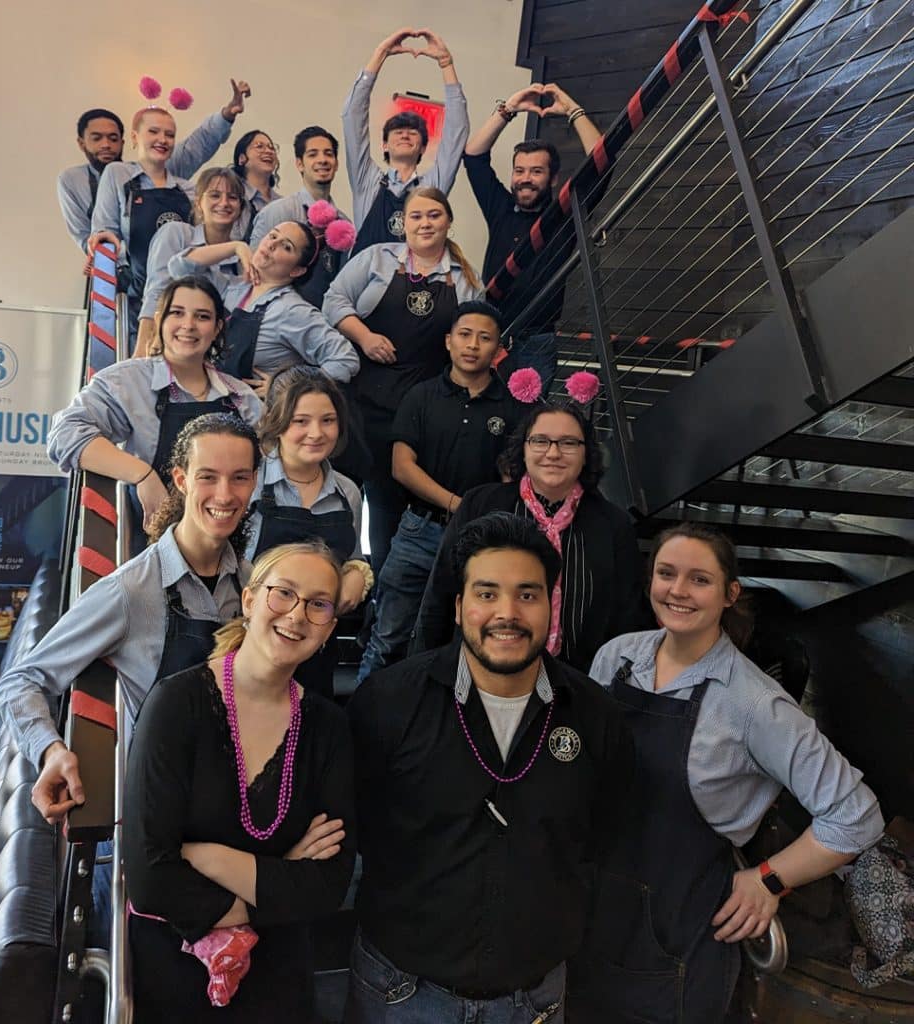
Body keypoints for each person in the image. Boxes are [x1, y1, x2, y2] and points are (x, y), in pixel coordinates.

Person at [569, 522, 884, 1023]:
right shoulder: (617, 657)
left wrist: (768, 879)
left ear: (729, 593)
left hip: (678, 936)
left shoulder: (754, 703)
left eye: (700, 579)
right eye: (667, 574)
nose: (678, 590)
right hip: (593, 914)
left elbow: (856, 816)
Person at [346, 512, 631, 1023]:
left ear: (551, 604)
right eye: (486, 593)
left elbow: (603, 840)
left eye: (527, 594)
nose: (507, 613)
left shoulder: (596, 717)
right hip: (400, 992)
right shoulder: (388, 704)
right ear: (458, 607)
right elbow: (358, 829)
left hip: (534, 1001)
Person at [124, 540, 356, 1023]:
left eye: (318, 605)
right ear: (249, 601)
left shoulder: (329, 727)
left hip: (278, 976)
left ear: (330, 629)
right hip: (175, 971)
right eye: (283, 593)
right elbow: (150, 881)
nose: (296, 615)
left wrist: (209, 858)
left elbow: (328, 886)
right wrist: (282, 876)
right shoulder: (176, 703)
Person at [0, 412, 261, 826]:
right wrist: (50, 750)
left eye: (239, 478)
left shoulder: (253, 584)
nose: (225, 495)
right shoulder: (130, 589)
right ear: (181, 479)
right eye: (207, 477)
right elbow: (20, 682)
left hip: (240, 795)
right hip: (163, 807)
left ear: (255, 482)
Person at [356, 301, 523, 683]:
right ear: (448, 341)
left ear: (498, 348)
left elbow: (512, 477)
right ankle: (364, 712)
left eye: (484, 338)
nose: (473, 345)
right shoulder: (421, 395)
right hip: (418, 531)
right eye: (465, 335)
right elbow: (401, 466)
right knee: (387, 639)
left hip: (479, 538)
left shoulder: (512, 407)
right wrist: (456, 503)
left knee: (459, 643)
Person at [412, 398, 644, 672]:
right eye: (540, 441)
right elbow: (441, 593)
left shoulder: (614, 524)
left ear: (586, 455)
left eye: (569, 443)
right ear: (523, 450)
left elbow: (627, 617)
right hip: (480, 673)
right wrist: (425, 672)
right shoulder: (480, 505)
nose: (553, 453)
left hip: (577, 681)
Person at [323, 186, 484, 572]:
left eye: (434, 215)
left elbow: (472, 337)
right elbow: (333, 300)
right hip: (360, 401)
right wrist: (365, 336)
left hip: (416, 411)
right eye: (416, 216)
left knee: (389, 511)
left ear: (448, 222)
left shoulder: (465, 279)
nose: (425, 223)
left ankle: (382, 589)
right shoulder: (377, 258)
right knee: (340, 498)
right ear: (403, 223)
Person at [48, 277, 261, 547]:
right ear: (159, 321)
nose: (188, 325)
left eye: (202, 316)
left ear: (217, 328)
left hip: (227, 544)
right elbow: (65, 434)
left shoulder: (240, 397)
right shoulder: (128, 381)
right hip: (153, 543)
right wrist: (142, 474)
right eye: (177, 313)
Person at [464, 83, 603, 392]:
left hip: (537, 342)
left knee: (526, 418)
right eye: (519, 171)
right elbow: (473, 157)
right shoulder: (500, 208)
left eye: (536, 171)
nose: (525, 179)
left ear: (553, 178)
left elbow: (601, 162)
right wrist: (508, 109)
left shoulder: (564, 214)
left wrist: (572, 109)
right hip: (489, 334)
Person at [245, 366, 372, 696]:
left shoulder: (348, 492)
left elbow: (353, 557)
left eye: (327, 420)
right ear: (276, 421)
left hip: (315, 648)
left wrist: (357, 574)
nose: (316, 433)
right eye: (301, 421)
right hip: (250, 644)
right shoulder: (249, 481)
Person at [171, 221, 359, 398]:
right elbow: (179, 267)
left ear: (297, 270)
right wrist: (236, 247)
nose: (272, 244)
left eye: (286, 247)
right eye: (273, 236)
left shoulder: (292, 310)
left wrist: (290, 387)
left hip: (254, 414)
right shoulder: (232, 288)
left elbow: (345, 360)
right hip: (209, 402)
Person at [58, 80, 250, 254]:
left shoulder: (187, 189)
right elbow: (103, 234)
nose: (162, 140)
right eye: (153, 132)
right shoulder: (117, 173)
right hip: (128, 278)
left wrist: (227, 115)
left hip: (181, 278)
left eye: (169, 135)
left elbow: (197, 144)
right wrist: (103, 263)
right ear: (135, 137)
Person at [343, 27, 469, 252]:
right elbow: (353, 117)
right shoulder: (366, 181)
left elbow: (456, 133)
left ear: (423, 147)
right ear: (384, 144)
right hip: (367, 274)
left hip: (414, 274)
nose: (404, 134)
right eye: (397, 131)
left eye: (413, 132)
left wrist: (446, 64)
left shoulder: (432, 187)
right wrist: (380, 54)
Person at [136, 169, 252, 356]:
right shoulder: (177, 233)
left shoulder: (242, 260)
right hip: (165, 345)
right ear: (198, 203)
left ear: (240, 207)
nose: (224, 203)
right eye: (215, 195)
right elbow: (157, 290)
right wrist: (143, 347)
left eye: (232, 197)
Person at [249, 126, 352, 307]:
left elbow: (342, 283)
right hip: (277, 315)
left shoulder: (343, 223)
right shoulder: (277, 212)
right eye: (313, 154)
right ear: (299, 164)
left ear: (336, 164)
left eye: (328, 154)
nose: (322, 160)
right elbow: (253, 272)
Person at [231, 129, 282, 216]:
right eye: (259, 146)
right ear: (242, 158)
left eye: (272, 148)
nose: (269, 151)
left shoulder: (282, 203)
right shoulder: (231, 197)